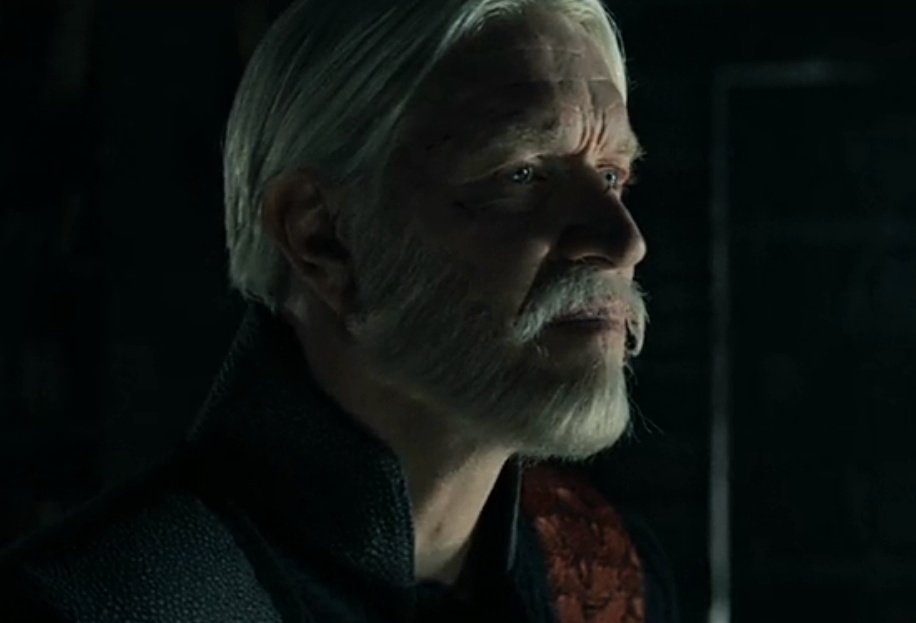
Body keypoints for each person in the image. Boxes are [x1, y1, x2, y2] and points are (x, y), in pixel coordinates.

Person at [0, 0, 679, 621]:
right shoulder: (91, 607)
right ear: (321, 236)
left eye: (611, 175)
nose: (624, 240)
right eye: (523, 174)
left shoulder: (608, 577)